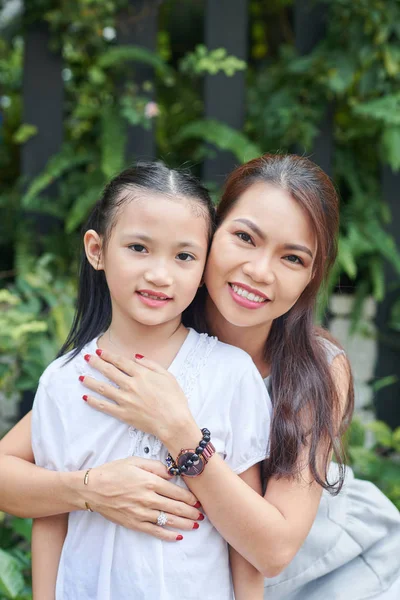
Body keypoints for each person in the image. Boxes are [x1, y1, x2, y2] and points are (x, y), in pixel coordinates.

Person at [1, 154, 399, 599]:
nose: (259, 271)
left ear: (310, 277)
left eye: (292, 258)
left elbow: (272, 551)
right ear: (209, 238)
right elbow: (18, 467)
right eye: (245, 237)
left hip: (339, 571)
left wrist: (179, 430)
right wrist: (90, 489)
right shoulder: (151, 329)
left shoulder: (317, 367)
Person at [28, 161, 272, 600]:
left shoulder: (231, 374)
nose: (160, 274)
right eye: (139, 248)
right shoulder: (62, 383)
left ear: (203, 268)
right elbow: (50, 517)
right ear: (97, 250)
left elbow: (245, 542)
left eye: (184, 256)